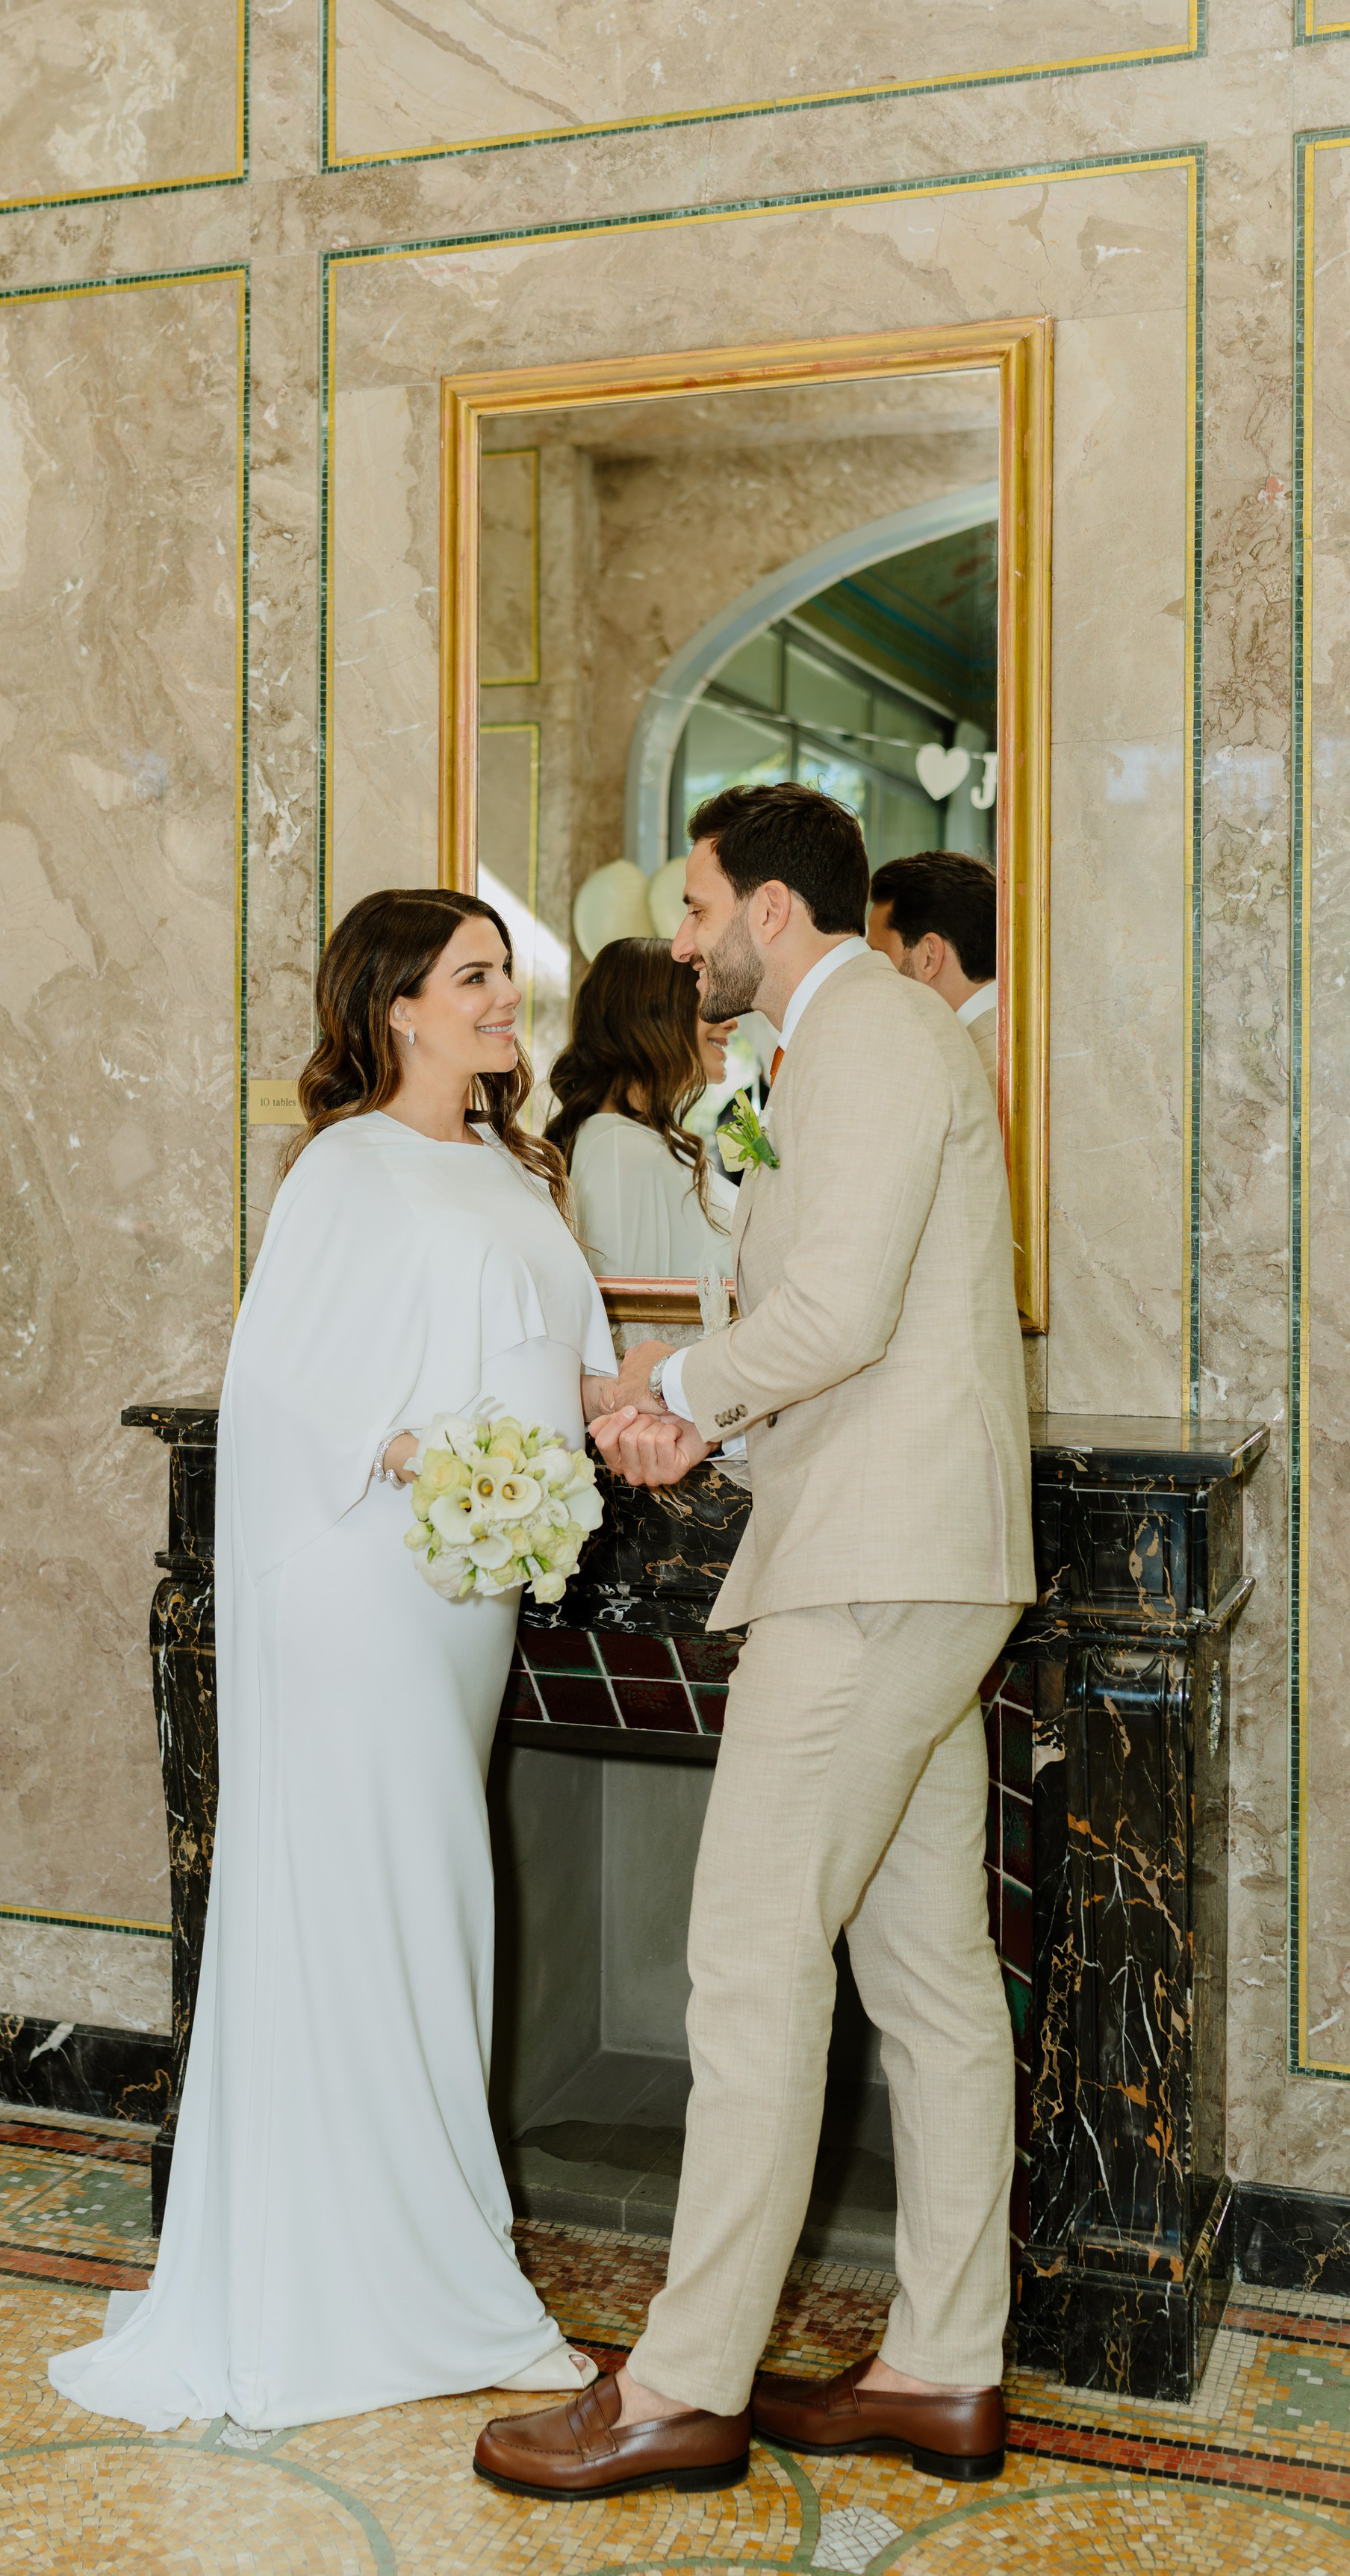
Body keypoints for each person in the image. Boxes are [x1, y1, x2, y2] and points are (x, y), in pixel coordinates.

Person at [473, 784, 1033, 2501]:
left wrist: (678, 1399)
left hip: (870, 1563)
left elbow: (837, 1308)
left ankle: (680, 2381)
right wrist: (690, 1391)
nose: (683, 933)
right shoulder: (841, 1045)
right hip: (915, 1550)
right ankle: (943, 2360)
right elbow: (810, 1292)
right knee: (926, 1970)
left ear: (771, 908)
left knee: (743, 1950)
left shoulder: (859, 1032)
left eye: (700, 901)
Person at [49, 889, 621, 2432]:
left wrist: (652, 1409)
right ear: (398, 1012)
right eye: (477, 978)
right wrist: (435, 1456)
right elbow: (288, 1399)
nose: (508, 1001)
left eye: (507, 977)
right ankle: (403, 2288)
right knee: (382, 1904)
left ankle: (435, 2261)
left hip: (469, 1598)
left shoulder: (513, 1167)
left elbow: (562, 1364)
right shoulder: (345, 1172)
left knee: (439, 1909)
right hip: (369, 1590)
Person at [545, 936, 738, 1279]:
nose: (731, 1019)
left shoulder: (639, 1144)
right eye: (705, 996)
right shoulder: (621, 1152)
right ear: (654, 1014)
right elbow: (629, 1321)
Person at [867, 850, 999, 1105]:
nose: (873, 974)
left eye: (879, 956)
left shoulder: (960, 1075)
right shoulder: (1033, 1037)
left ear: (929, 956)